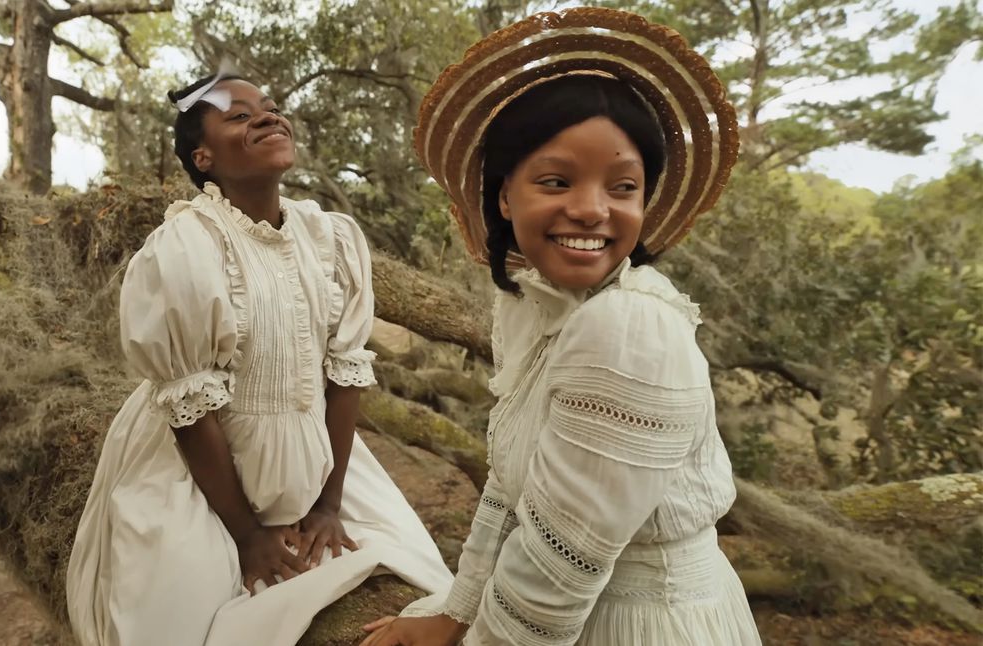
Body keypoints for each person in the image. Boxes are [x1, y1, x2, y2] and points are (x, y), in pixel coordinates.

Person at [360, 7, 760, 645]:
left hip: (636, 624)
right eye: (556, 179)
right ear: (504, 195)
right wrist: (458, 609)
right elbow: (514, 487)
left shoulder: (629, 327)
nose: (591, 208)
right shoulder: (536, 307)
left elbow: (560, 570)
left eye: (622, 186)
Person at [65, 69, 451, 646]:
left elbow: (343, 374)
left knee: (424, 580)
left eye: (270, 108)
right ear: (203, 156)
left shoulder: (330, 238)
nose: (268, 117)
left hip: (317, 458)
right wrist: (247, 535)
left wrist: (326, 502)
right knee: (172, 622)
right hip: (202, 471)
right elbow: (191, 410)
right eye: (239, 116)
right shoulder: (186, 247)